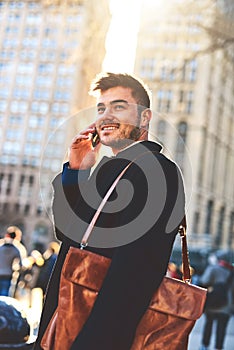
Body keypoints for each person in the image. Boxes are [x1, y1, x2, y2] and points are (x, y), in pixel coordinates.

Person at [34, 72, 185, 349]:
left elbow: (135, 275)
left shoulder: (157, 171)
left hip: (96, 337)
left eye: (118, 106)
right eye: (101, 108)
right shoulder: (110, 170)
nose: (105, 115)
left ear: (144, 117)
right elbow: (68, 234)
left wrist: (90, 343)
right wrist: (75, 172)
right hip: (67, 325)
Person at [199, 250, 234, 350]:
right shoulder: (232, 272)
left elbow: (204, 281)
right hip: (227, 305)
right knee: (221, 328)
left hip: (212, 304)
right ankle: (218, 347)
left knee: (208, 325)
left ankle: (204, 346)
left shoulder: (214, 269)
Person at [0, 231, 21, 296]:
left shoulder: (1, 247)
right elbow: (20, 264)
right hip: (8, 274)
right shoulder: (16, 249)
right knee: (5, 296)